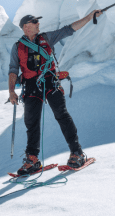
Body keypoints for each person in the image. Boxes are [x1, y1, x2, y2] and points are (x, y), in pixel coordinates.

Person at [9, 10, 103, 174]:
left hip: (50, 81)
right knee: (31, 122)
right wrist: (11, 91)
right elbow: (12, 70)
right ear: (26, 27)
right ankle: (32, 159)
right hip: (31, 86)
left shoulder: (47, 38)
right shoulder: (17, 47)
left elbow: (69, 29)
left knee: (61, 115)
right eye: (35, 22)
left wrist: (90, 17)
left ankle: (77, 152)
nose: (38, 24)